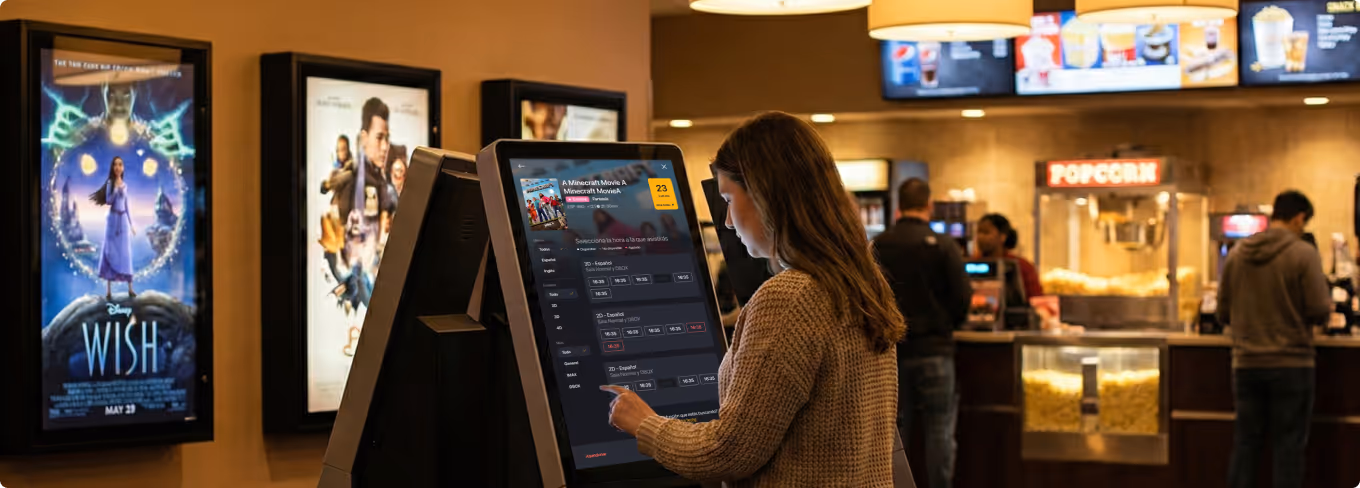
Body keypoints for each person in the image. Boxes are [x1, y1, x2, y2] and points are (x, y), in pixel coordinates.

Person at [601, 111, 905, 487]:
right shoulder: (860, 280)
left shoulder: (791, 297)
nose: (727, 220)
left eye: (729, 197)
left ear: (764, 194)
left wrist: (644, 423)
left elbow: (728, 453)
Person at [1220, 190, 1331, 488]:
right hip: (1292, 364)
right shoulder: (1303, 254)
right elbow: (1320, 309)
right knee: (1288, 449)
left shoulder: (1237, 254)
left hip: (1245, 365)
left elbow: (1222, 311)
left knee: (1246, 445)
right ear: (1298, 218)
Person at [872, 178, 971, 488]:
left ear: (898, 205)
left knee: (896, 434)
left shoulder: (880, 244)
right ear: (929, 205)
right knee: (939, 432)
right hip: (936, 351)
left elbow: (870, 295)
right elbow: (962, 298)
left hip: (892, 355)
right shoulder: (943, 245)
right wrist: (946, 324)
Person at [89, 156, 136, 300]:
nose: (118, 167)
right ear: (112, 167)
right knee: (110, 250)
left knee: (125, 253)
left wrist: (131, 224)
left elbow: (127, 206)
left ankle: (130, 288)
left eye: (120, 164)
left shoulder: (126, 185)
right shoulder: (110, 182)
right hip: (112, 219)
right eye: (115, 165)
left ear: (123, 168)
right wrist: (115, 189)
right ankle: (108, 291)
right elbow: (109, 201)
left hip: (122, 221)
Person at [975, 213, 1043, 299]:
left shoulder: (1022, 266)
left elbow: (1037, 299)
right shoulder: (972, 263)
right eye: (978, 232)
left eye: (986, 232)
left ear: (1002, 236)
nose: (980, 237)